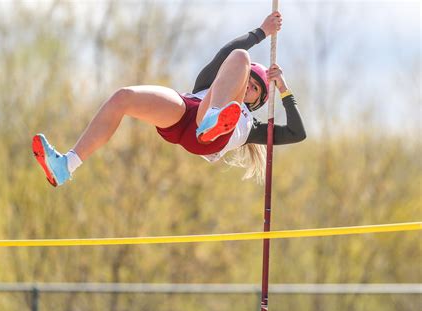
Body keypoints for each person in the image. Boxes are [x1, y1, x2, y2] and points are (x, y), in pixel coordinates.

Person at [32, 11, 306, 187]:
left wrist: (283, 88)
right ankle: (65, 165)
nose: (248, 87)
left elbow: (296, 133)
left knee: (241, 60)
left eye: (255, 89)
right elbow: (227, 52)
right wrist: (261, 32)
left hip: (209, 138)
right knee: (123, 98)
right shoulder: (208, 85)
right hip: (187, 114)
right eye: (247, 81)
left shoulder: (252, 130)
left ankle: (213, 123)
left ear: (257, 102)